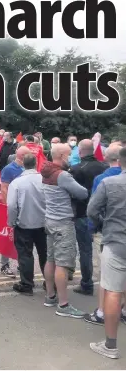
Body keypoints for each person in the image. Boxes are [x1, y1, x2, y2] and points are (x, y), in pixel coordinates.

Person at [87, 146, 126, 359]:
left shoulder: (109, 183)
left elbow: (92, 210)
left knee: (112, 291)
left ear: (119, 162)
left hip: (116, 241)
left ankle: (110, 345)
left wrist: (104, 224)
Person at [41, 143, 89, 317]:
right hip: (63, 222)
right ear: (61, 156)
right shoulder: (62, 175)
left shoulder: (45, 171)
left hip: (50, 219)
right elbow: (82, 193)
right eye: (69, 154)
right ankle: (63, 304)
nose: (71, 157)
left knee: (50, 259)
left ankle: (50, 296)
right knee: (63, 264)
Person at [69, 139, 108, 296]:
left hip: (82, 213)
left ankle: (87, 284)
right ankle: (108, 283)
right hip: (102, 214)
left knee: (85, 251)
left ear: (80, 151)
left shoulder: (76, 169)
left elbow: (72, 194)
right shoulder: (104, 167)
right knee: (104, 251)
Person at [7, 154, 47, 295]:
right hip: (44, 223)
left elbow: (11, 205)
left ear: (23, 164)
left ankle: (27, 284)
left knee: (25, 255)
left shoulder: (17, 183)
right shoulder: (44, 180)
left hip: (24, 224)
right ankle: (49, 283)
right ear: (36, 163)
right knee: (45, 254)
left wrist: (11, 222)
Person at [0, 146, 31, 277]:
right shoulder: (9, 169)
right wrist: (8, 207)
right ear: (22, 156)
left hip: (25, 208)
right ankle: (4, 265)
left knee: (23, 239)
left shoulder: (29, 168)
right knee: (8, 237)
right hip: (13, 208)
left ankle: (21, 264)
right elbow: (4, 188)